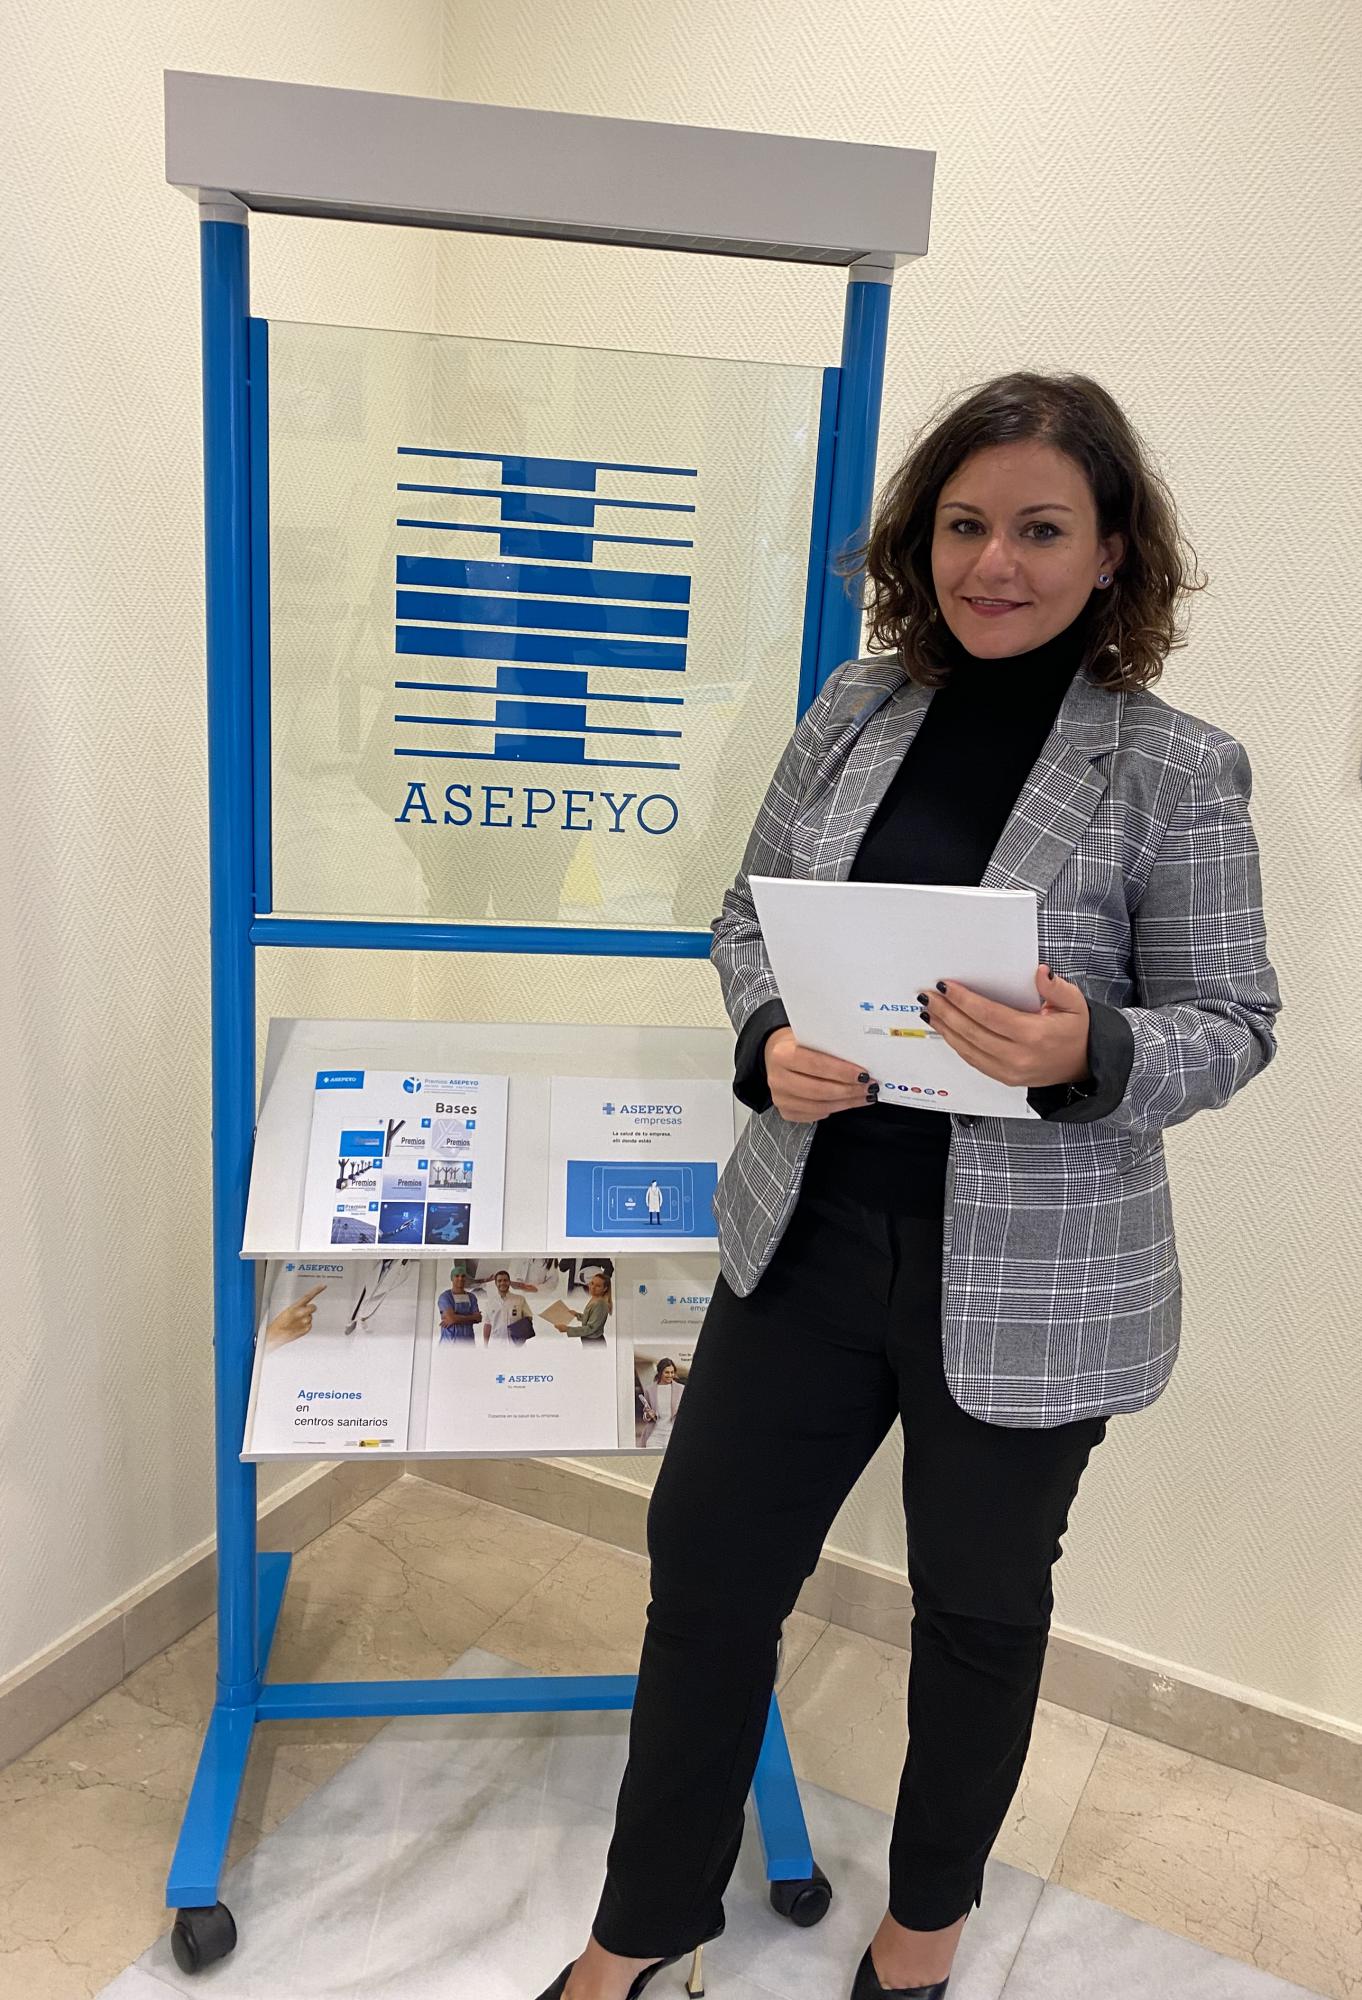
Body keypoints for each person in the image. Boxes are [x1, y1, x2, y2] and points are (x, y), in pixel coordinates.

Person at [534, 371, 1282, 2000]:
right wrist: (764, 1043)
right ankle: (642, 1926)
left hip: (1034, 1277)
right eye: (962, 525)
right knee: (707, 1576)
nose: (992, 563)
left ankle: (922, 1933)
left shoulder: (1173, 767)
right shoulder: (853, 710)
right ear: (917, 542)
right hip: (807, 1232)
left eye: (1039, 529)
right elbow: (746, 918)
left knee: (977, 1614)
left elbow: (1233, 1024)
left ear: (1111, 553)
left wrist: (1088, 1048)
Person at [639, 1359, 684, 1450]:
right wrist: (648, 1415)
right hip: (654, 1435)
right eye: (667, 1372)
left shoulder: (681, 1389)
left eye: (672, 1372)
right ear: (660, 1373)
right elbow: (645, 1415)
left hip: (672, 1435)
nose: (670, 1375)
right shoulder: (650, 1390)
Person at [436, 1265, 481, 1341]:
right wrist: (472, 1317)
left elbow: (478, 1318)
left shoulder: (472, 1297)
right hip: (449, 1341)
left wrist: (456, 1318)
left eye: (463, 1276)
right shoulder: (445, 1297)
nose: (460, 1278)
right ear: (452, 1278)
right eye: (457, 1276)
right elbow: (451, 1318)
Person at [564, 1272, 612, 1343]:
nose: (593, 1287)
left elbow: (591, 1328)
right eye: (592, 1283)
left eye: (598, 1286)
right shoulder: (595, 1299)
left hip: (594, 1342)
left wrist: (567, 1329)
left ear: (605, 1289)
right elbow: (591, 1318)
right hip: (589, 1339)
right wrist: (576, 1314)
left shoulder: (600, 1305)